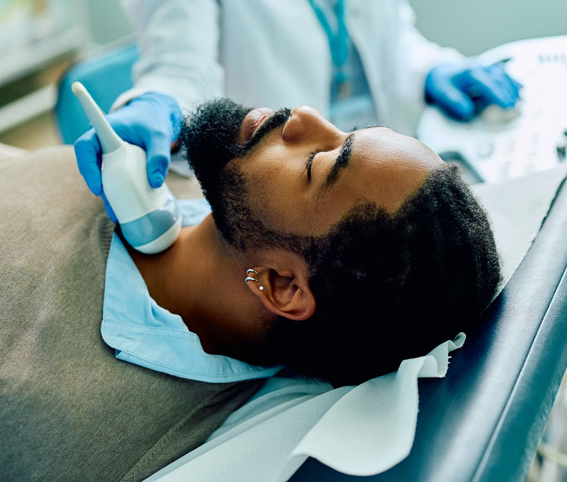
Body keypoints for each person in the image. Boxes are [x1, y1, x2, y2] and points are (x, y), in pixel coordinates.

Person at [0, 103, 500, 479]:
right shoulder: (165, 177)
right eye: (348, 130)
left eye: (318, 163)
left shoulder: (56, 423)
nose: (304, 116)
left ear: (282, 287)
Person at [74, 0, 521, 214]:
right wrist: (157, 100)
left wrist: (428, 70)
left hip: (373, 160)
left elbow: (382, 29)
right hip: (285, 196)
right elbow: (181, 63)